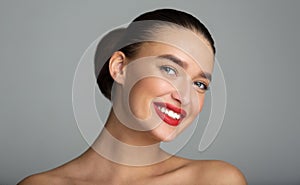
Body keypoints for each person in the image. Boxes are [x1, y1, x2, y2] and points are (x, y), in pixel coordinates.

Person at [18, 8, 247, 185]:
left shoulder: (215, 180)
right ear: (119, 68)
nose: (185, 97)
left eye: (199, 84)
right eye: (169, 69)